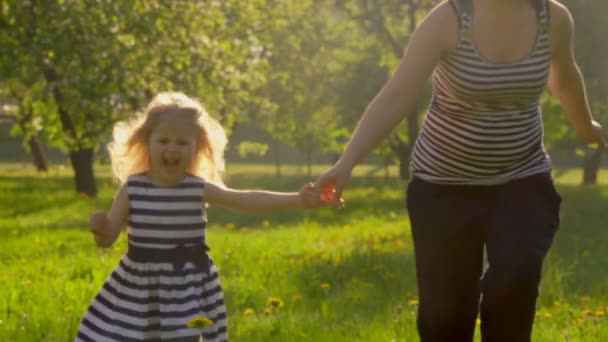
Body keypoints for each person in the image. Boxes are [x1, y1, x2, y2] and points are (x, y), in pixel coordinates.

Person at [315, 0, 605, 341]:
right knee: (445, 317)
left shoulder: (552, 18)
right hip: (443, 187)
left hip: (523, 177)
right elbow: (397, 96)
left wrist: (587, 128)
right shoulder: (448, 20)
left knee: (517, 277)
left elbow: (565, 78)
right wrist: (346, 163)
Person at [75, 92, 330, 342]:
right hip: (138, 289)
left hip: (186, 288)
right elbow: (108, 239)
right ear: (146, 142)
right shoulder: (133, 189)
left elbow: (246, 199)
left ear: (198, 148)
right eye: (163, 140)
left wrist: (297, 199)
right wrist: (101, 229)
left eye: (182, 142)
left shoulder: (196, 189)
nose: (172, 148)